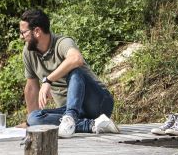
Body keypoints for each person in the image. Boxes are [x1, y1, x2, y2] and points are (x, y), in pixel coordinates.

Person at [19, 8, 118, 137]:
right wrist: (30, 124)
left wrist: (48, 80)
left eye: (23, 32)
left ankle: (71, 118)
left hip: (97, 102)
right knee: (34, 119)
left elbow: (76, 59)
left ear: (37, 31)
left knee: (75, 70)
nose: (21, 37)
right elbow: (31, 88)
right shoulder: (28, 53)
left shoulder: (62, 42)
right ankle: (92, 124)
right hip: (67, 111)